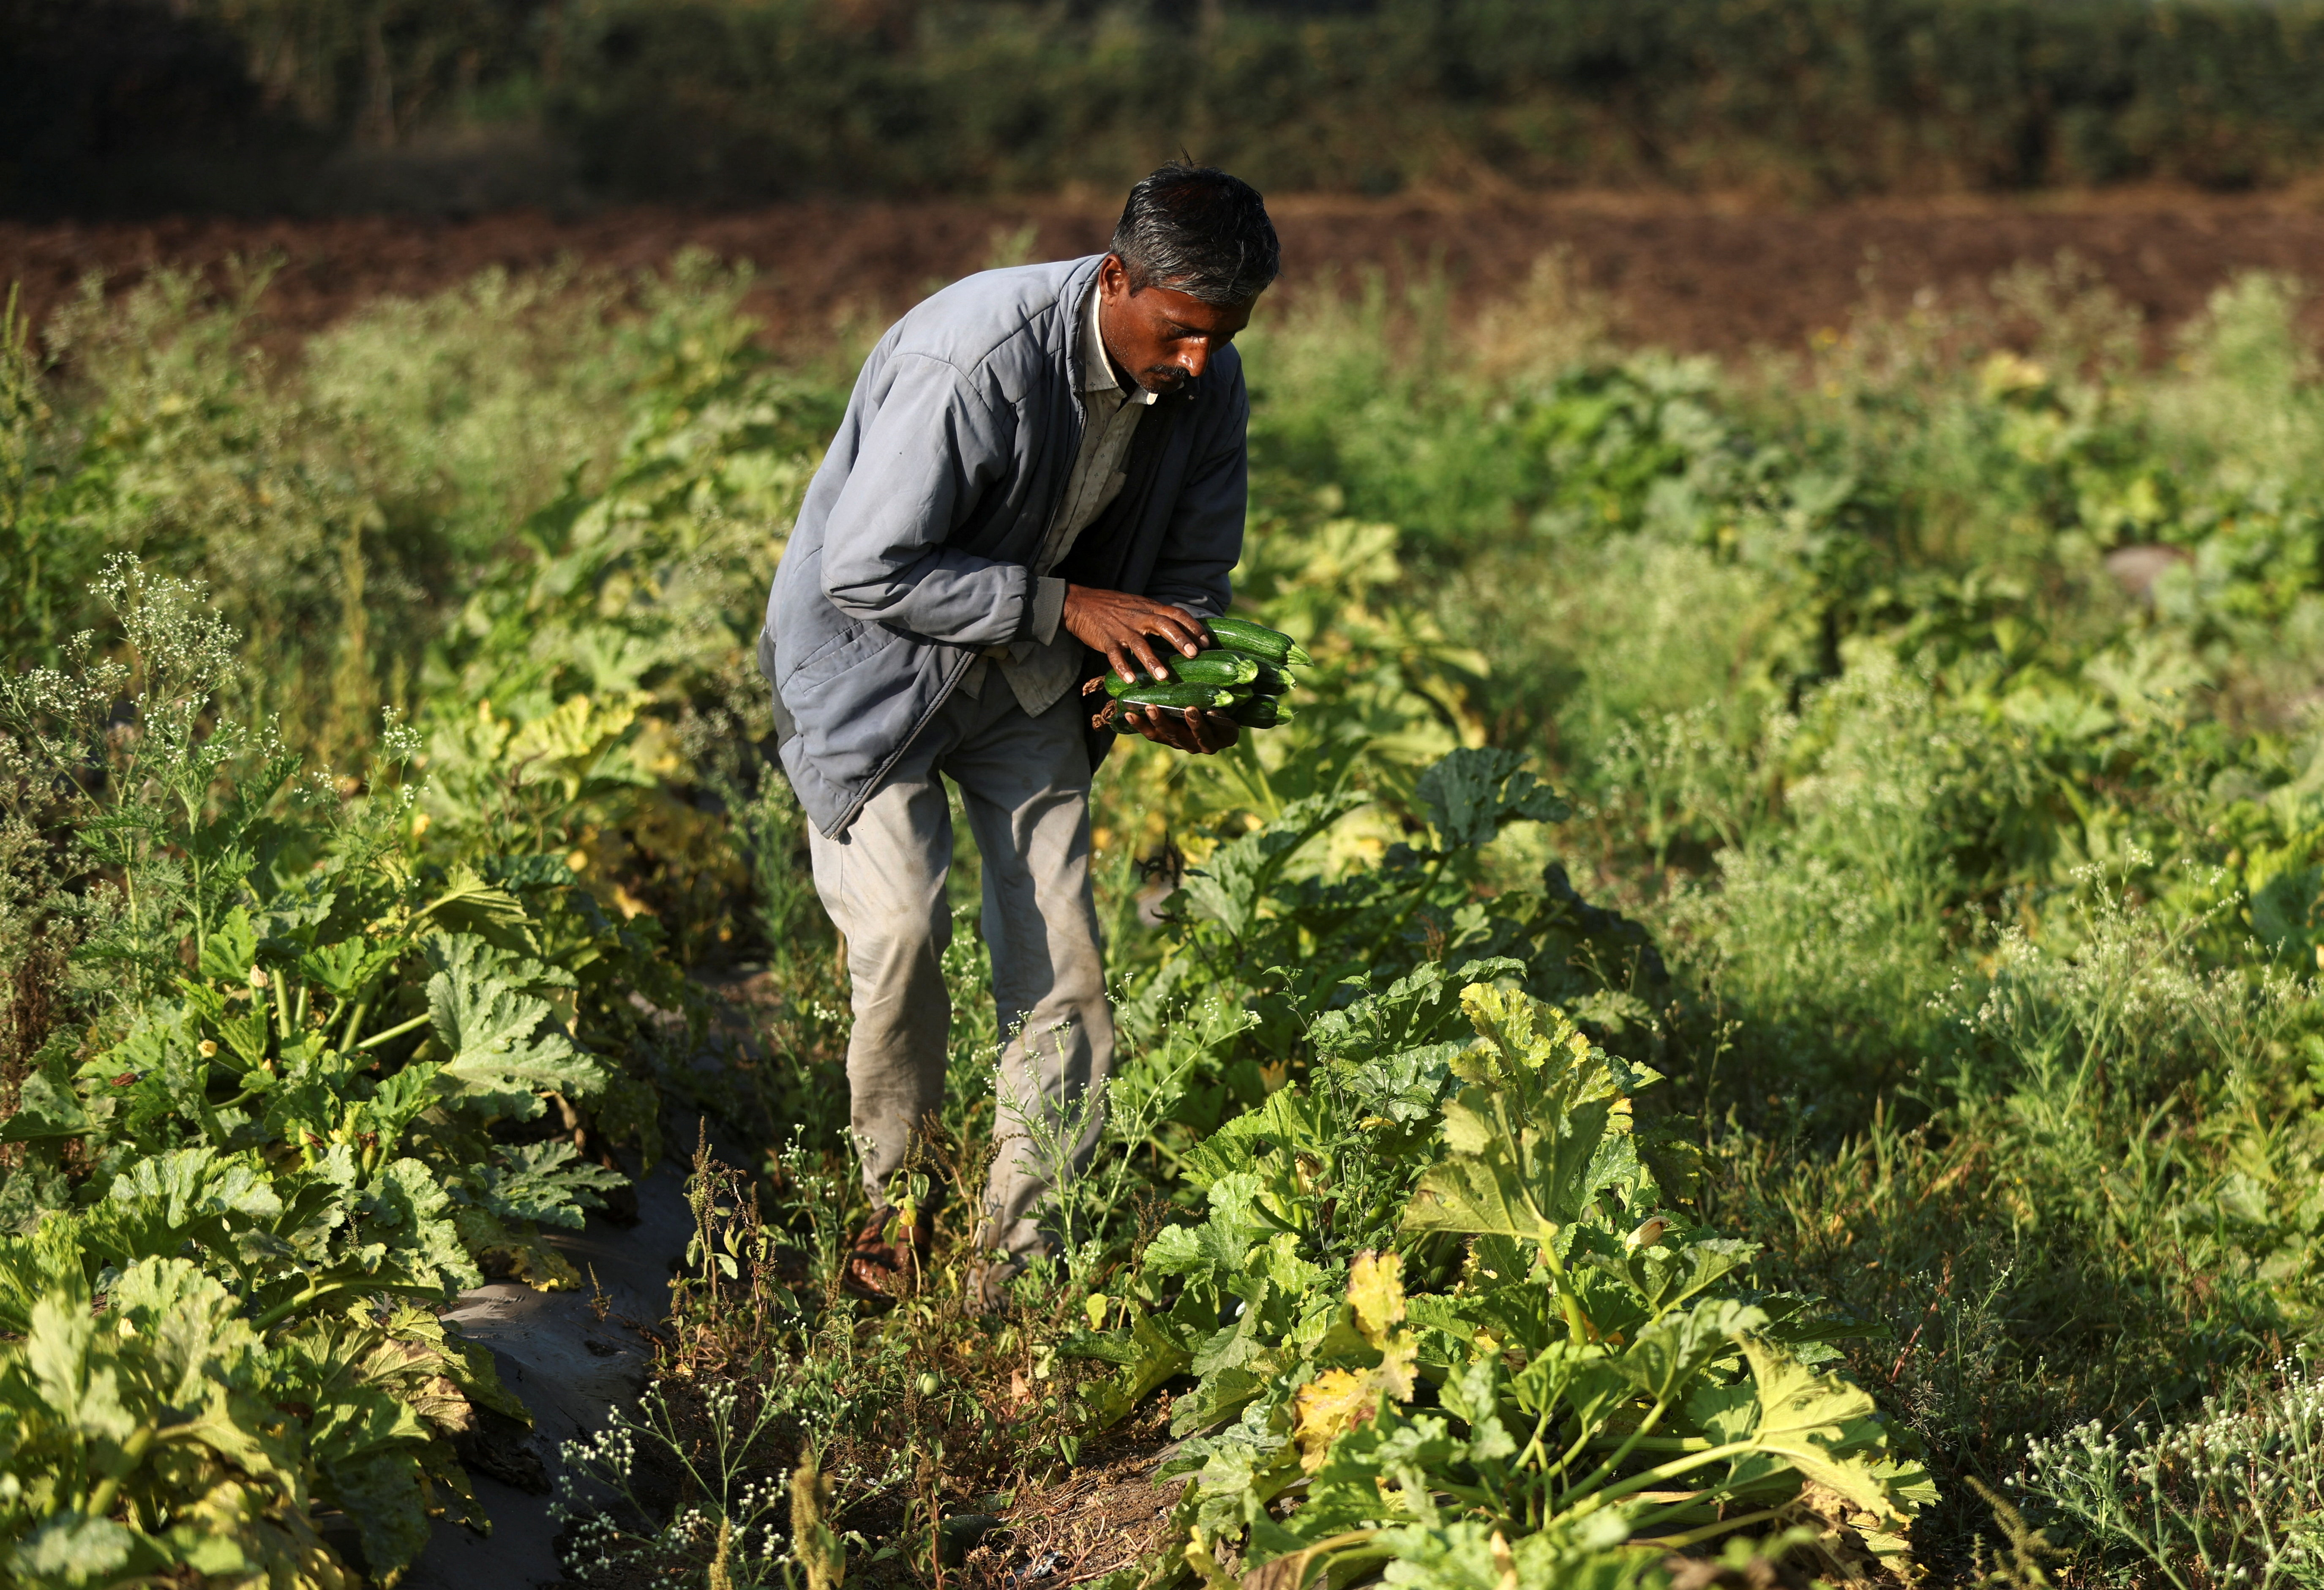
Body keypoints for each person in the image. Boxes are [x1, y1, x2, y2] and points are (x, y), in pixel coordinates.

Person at [758, 165, 1279, 1306]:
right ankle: (894, 1205)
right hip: (873, 675)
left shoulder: (1209, 379)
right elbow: (866, 566)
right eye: (1182, 333)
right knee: (899, 937)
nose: (1199, 364)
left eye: (1225, 337)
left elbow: (1194, 573)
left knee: (1063, 969)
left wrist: (1175, 683)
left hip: (1027, 684)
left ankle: (1020, 1259)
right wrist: (1062, 606)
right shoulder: (975, 359)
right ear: (1115, 280)